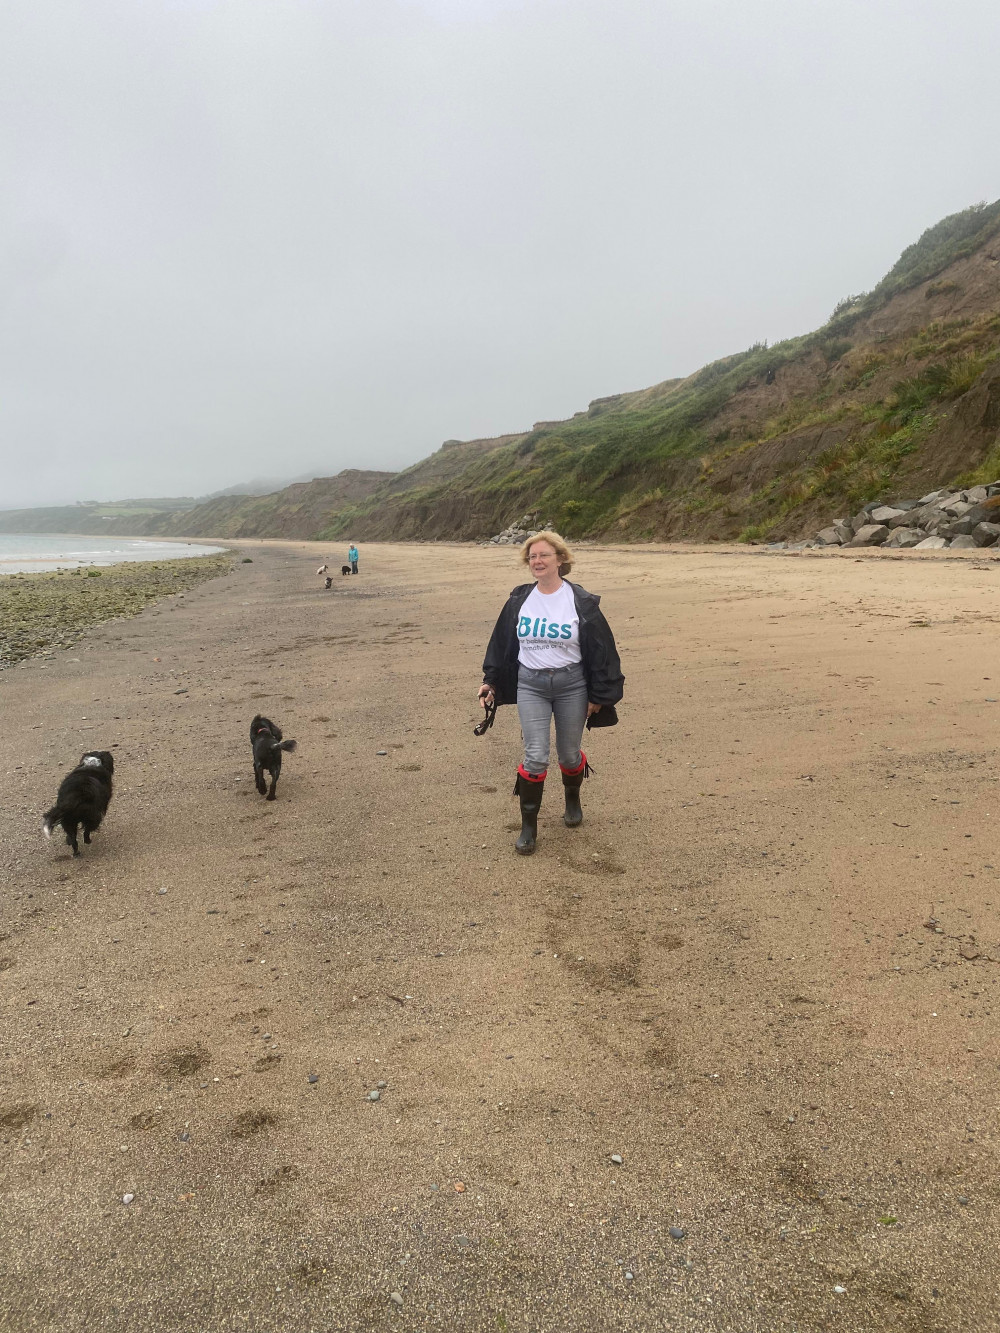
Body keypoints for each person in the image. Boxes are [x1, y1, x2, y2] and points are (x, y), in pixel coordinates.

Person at [479, 530, 624, 855]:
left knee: (569, 754)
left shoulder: (582, 603)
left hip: (573, 685)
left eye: (544, 555)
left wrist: (599, 696)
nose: (537, 561)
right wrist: (491, 681)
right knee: (535, 755)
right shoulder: (519, 600)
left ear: (560, 559)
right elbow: (502, 644)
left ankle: (572, 799)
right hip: (531, 685)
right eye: (532, 556)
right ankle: (528, 827)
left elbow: (604, 651)